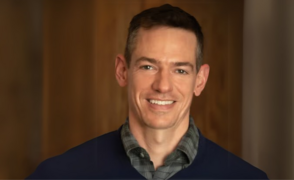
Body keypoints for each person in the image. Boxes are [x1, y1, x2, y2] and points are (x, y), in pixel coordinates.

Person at [26, 4, 268, 179]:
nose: (162, 86)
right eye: (148, 66)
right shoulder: (58, 175)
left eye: (180, 70)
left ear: (200, 80)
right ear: (122, 71)